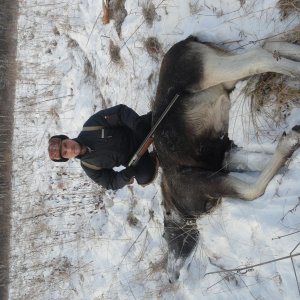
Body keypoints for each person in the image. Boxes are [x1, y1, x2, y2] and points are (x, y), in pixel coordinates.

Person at [48, 104, 158, 190]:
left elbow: (120, 112)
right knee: (144, 178)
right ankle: (153, 158)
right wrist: (124, 176)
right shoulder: (89, 167)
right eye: (65, 153)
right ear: (67, 158)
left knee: (159, 117)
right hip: (136, 157)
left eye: (65, 145)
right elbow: (110, 182)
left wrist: (137, 125)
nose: (70, 149)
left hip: (136, 131)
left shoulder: (91, 125)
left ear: (66, 138)